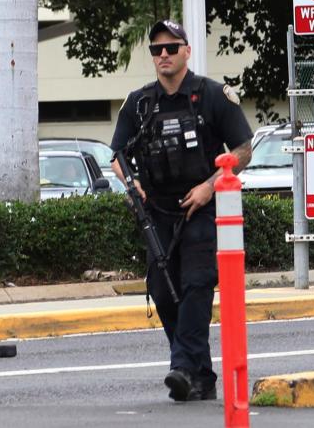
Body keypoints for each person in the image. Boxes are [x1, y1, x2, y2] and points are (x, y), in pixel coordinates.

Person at [111, 20, 253, 403]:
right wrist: (132, 183)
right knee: (163, 290)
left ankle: (182, 366)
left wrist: (210, 186)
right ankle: (199, 375)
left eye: (171, 48)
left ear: (186, 51)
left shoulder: (211, 95)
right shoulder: (138, 103)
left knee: (196, 285)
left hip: (200, 208)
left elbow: (243, 148)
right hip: (157, 210)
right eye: (157, 49)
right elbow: (118, 156)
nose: (163, 55)